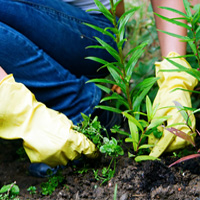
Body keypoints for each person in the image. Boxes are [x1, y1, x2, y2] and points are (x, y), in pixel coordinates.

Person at [0, 0, 199, 176]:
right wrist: (17, 111)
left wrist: (175, 77)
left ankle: (80, 109)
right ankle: (72, 106)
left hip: (91, 32)